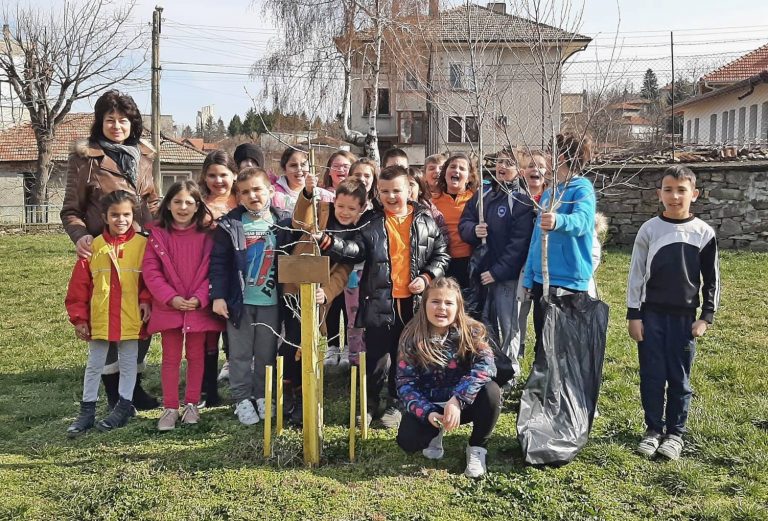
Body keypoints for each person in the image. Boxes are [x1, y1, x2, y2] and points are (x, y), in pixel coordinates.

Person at [317, 165, 450, 428]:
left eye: (396, 191)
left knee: (405, 356)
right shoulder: (371, 220)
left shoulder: (425, 220)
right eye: (384, 191)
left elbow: (441, 254)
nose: (390, 196)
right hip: (378, 302)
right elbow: (356, 250)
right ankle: (368, 403)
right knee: (375, 358)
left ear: (409, 189)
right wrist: (332, 244)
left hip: (413, 305)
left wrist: (426, 277)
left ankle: (396, 402)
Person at [60, 89, 159, 411]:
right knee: (108, 319)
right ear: (100, 122)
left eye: (123, 120)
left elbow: (151, 200)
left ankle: (134, 387)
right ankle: (114, 392)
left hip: (140, 250)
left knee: (141, 317)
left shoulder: (143, 156)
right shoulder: (86, 158)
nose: (117, 126)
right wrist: (80, 237)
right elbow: (70, 210)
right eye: (110, 120)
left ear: (133, 123)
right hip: (104, 253)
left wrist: (162, 231)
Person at [627, 165, 720, 460]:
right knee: (652, 376)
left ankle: (675, 434)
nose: (675, 196)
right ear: (659, 194)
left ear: (695, 194)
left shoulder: (703, 233)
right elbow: (636, 274)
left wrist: (705, 317)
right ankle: (653, 430)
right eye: (668, 190)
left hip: (684, 319)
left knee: (679, 379)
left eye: (682, 190)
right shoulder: (649, 230)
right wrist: (633, 315)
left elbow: (712, 280)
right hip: (650, 316)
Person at [209, 167, 294, 425]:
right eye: (245, 192)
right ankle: (242, 398)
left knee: (266, 353)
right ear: (239, 196)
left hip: (271, 302)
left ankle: (262, 394)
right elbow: (219, 263)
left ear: (270, 190)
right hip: (240, 302)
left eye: (257, 189)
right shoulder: (230, 225)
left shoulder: (284, 223)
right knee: (240, 353)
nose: (252, 195)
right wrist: (219, 296)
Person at [65, 191, 152, 437]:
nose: (121, 220)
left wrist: (146, 300)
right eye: (115, 215)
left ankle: (124, 407)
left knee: (129, 364)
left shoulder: (142, 246)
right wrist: (79, 318)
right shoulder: (93, 247)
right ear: (104, 217)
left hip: (131, 316)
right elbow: (79, 286)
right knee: (94, 365)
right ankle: (87, 411)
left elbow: (149, 279)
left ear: (133, 215)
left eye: (126, 214)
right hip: (100, 318)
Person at [395, 277, 500, 478]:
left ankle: (477, 447)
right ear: (424, 304)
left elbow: (486, 366)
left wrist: (458, 399)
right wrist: (428, 413)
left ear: (458, 307)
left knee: (491, 391)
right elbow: (405, 384)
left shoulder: (472, 331)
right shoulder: (411, 336)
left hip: (463, 403)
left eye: (448, 303)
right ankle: (435, 433)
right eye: (435, 301)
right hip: (430, 403)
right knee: (408, 441)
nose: (441, 308)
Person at [282, 178, 367, 423]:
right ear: (334, 201)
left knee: (306, 343)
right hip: (294, 287)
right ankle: (288, 389)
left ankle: (303, 394)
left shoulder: (355, 234)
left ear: (361, 209)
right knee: (290, 341)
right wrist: (308, 194)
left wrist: (327, 293)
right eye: (341, 206)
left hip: (317, 296)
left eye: (351, 208)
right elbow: (299, 221)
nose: (345, 212)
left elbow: (342, 273)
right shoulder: (321, 211)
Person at [142, 181, 225, 431]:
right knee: (170, 358)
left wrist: (201, 297)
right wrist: (170, 298)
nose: (183, 207)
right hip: (169, 307)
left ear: (198, 206)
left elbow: (213, 270)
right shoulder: (158, 235)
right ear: (168, 205)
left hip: (198, 307)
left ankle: (191, 404)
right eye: (177, 201)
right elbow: (151, 271)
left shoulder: (208, 236)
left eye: (189, 202)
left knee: (196, 356)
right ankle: (170, 407)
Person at [459, 150, 534, 380]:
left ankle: (510, 373)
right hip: (480, 273)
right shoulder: (483, 194)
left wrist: (498, 272)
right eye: (500, 162)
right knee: (483, 322)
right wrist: (474, 230)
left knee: (508, 325)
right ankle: (487, 369)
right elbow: (465, 221)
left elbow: (519, 244)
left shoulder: (520, 201)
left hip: (505, 277)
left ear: (519, 170)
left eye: (509, 163)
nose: (502, 166)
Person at [522, 133, 596, 357]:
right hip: (541, 278)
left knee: (564, 344)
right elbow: (536, 238)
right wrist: (529, 276)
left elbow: (584, 221)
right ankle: (543, 377)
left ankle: (562, 379)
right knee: (543, 338)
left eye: (549, 152)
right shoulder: (549, 193)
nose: (546, 157)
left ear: (561, 156)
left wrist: (559, 221)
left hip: (568, 281)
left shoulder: (581, 188)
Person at [198, 149, 239, 397]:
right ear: (204, 177)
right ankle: (208, 388)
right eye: (212, 175)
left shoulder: (242, 199)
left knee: (235, 330)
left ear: (234, 174)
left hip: (240, 274)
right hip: (207, 273)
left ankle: (239, 382)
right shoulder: (198, 204)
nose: (218, 180)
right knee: (209, 331)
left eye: (223, 174)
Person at [320, 150, 359, 366]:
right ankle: (332, 345)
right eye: (336, 165)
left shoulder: (359, 197)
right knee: (332, 305)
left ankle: (348, 348)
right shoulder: (322, 197)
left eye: (345, 166)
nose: (341, 170)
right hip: (330, 260)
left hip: (351, 261)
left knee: (350, 308)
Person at [517, 150, 549, 358]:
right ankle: (518, 349)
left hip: (542, 263)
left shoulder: (552, 199)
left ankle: (542, 351)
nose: (535, 169)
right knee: (519, 309)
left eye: (540, 166)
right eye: (530, 165)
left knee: (541, 310)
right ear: (522, 171)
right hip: (519, 262)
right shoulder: (516, 198)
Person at [432, 153, 479, 288]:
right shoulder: (432, 202)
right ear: (445, 173)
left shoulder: (477, 200)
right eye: (452, 167)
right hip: (441, 261)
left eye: (462, 168)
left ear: (469, 177)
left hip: (469, 262)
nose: (456, 170)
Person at [273, 145, 333, 212]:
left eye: (303, 164)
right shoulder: (274, 194)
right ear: (284, 169)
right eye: (293, 165)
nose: (299, 169)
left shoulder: (320, 194)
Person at [407, 167, 449, 245]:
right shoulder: (391, 212)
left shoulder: (433, 214)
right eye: (403, 184)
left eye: (411, 184)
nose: (407, 189)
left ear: (420, 189)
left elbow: (443, 240)